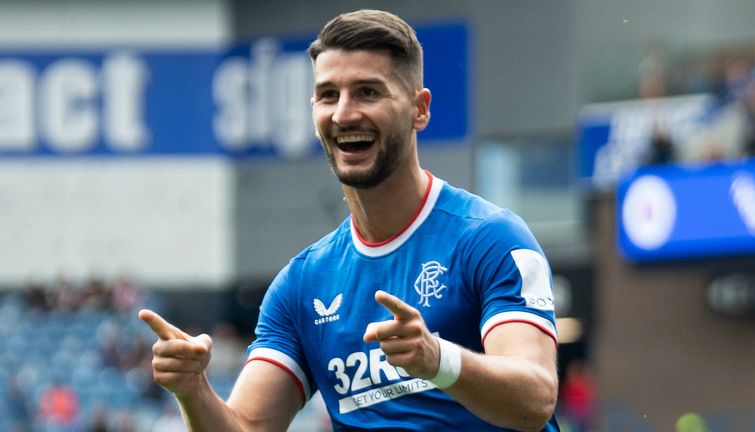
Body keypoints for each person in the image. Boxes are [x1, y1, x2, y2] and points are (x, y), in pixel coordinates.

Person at [139, 9, 559, 431]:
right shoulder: (302, 284)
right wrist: (193, 390)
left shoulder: (488, 239)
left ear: (419, 109)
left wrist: (437, 360)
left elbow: (535, 399)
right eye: (327, 95)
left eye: (368, 92)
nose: (343, 114)